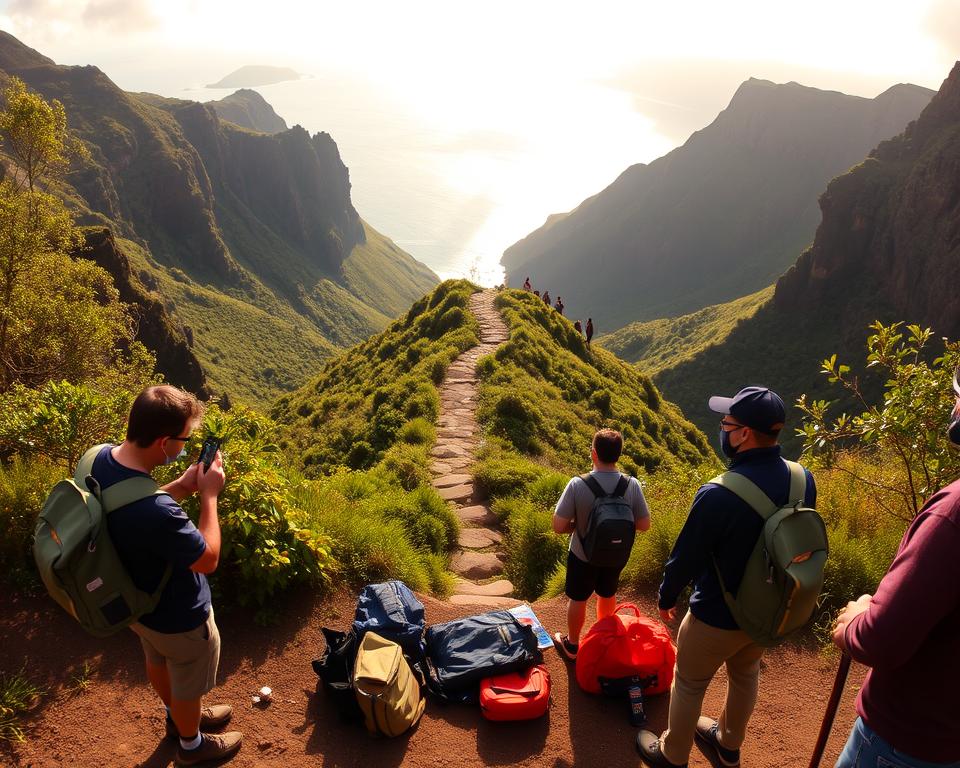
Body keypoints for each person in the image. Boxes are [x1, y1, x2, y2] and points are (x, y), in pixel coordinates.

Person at [636, 387, 815, 768]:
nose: (722, 429)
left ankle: (673, 754)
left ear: (744, 433)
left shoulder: (718, 493)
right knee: (746, 673)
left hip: (716, 614)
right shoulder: (803, 480)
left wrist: (666, 597)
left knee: (689, 683)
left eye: (726, 423)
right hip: (767, 612)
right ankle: (729, 744)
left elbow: (685, 558)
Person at [94, 385, 242, 766]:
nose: (185, 446)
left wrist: (181, 486)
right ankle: (191, 744)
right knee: (188, 679)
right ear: (164, 443)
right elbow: (208, 558)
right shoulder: (159, 513)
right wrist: (209, 495)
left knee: (157, 660)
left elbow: (128, 506)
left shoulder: (99, 459)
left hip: (137, 605)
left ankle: (178, 716)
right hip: (179, 618)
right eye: (184, 440)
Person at [830, 376, 960, 768]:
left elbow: (881, 640)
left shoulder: (951, 514)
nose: (954, 407)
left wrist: (853, 622)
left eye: (957, 397)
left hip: (907, 740)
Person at [551, 429, 651, 660]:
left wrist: (578, 526)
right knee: (607, 594)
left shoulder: (577, 484)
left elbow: (558, 525)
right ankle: (604, 641)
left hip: (582, 554)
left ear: (594, 453)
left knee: (579, 598)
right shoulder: (632, 484)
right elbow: (644, 524)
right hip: (616, 553)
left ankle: (572, 646)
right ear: (619, 454)